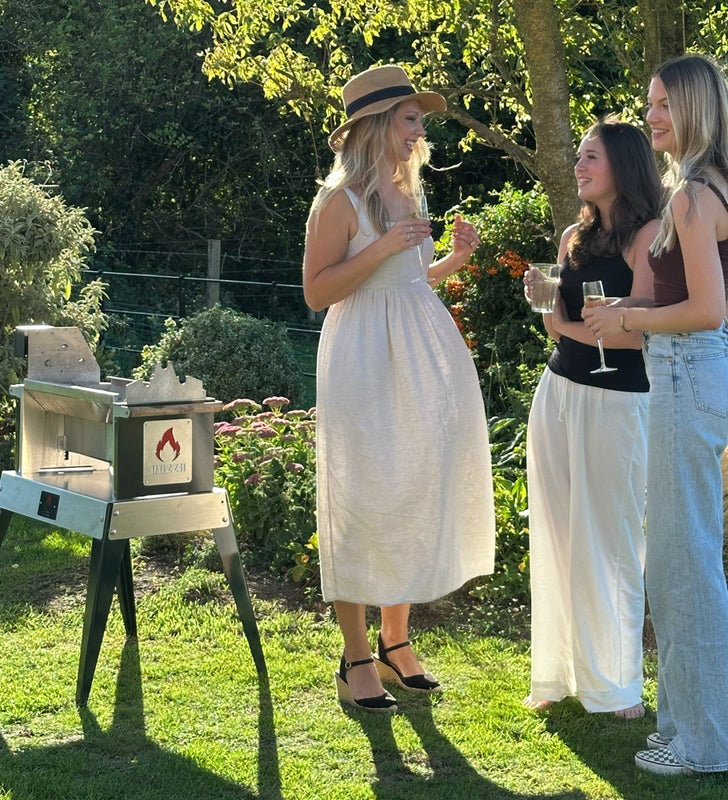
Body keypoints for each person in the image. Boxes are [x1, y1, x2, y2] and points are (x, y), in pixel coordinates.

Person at [303, 64, 496, 712]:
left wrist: (453, 262)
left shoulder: (406, 193)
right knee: (361, 498)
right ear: (378, 125)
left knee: (410, 487)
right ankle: (355, 656)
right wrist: (383, 245)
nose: (420, 129)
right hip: (360, 361)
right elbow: (317, 291)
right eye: (411, 117)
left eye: (419, 118)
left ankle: (395, 640)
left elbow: (409, 281)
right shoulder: (340, 201)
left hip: (416, 359)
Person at [583, 54, 728, 776]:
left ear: (697, 106)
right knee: (687, 560)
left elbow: (706, 312)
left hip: (686, 373)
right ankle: (690, 729)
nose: (652, 115)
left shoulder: (692, 196)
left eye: (664, 104)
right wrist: (631, 311)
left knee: (684, 566)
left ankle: (700, 745)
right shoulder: (710, 187)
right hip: (696, 373)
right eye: (649, 104)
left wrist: (633, 321)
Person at [522, 118, 660, 720]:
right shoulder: (573, 238)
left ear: (623, 167)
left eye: (591, 158)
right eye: (578, 155)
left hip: (620, 402)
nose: (579, 166)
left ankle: (617, 684)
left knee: (612, 537)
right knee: (555, 533)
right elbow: (560, 313)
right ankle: (556, 673)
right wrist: (543, 293)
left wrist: (565, 325)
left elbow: (643, 336)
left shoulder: (651, 235)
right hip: (558, 393)